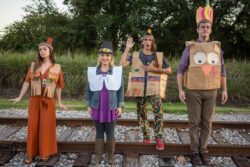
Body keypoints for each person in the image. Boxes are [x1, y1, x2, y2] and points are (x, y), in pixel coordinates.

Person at [177, 3, 228, 166]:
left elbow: (222, 70)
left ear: (210, 30)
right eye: (202, 27)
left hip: (212, 90)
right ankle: (194, 152)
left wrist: (224, 89)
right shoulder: (190, 48)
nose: (205, 29)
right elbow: (180, 69)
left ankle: (203, 150)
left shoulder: (216, 48)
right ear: (198, 30)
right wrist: (180, 90)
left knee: (207, 122)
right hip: (193, 90)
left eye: (208, 27)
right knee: (194, 122)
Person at [10, 37, 67, 164]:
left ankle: (45, 152)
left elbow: (58, 86)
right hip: (34, 100)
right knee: (33, 126)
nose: (42, 51)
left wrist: (60, 102)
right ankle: (31, 153)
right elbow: (27, 82)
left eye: (44, 49)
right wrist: (20, 96)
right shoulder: (34, 65)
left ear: (50, 51)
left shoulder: (56, 67)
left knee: (46, 127)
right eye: (40, 49)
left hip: (48, 101)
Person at [120, 29, 172, 151]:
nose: (147, 41)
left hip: (154, 88)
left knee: (158, 112)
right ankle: (146, 136)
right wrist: (127, 48)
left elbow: (169, 70)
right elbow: (122, 64)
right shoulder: (136, 56)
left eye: (150, 40)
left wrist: (153, 69)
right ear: (142, 42)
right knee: (141, 113)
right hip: (139, 88)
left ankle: (159, 137)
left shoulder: (158, 56)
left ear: (152, 42)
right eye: (145, 40)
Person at [86, 41, 124, 166]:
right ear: (99, 57)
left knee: (111, 133)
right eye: (102, 55)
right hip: (97, 107)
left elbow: (120, 90)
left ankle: (111, 157)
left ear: (111, 57)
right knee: (99, 132)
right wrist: (88, 105)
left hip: (111, 107)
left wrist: (120, 105)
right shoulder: (93, 71)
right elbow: (89, 89)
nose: (105, 58)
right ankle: (97, 157)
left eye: (107, 55)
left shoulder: (116, 72)